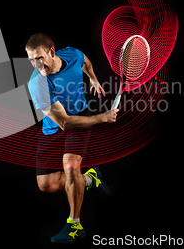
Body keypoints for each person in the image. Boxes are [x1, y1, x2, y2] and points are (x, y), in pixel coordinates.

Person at [26, 33, 119, 243]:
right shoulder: (37, 84)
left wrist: (93, 78)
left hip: (80, 115)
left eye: (39, 58)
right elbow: (64, 122)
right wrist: (102, 118)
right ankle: (90, 179)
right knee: (45, 185)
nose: (36, 64)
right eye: (31, 59)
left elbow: (84, 59)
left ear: (51, 52)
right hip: (56, 126)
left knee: (70, 166)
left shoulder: (73, 55)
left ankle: (75, 225)